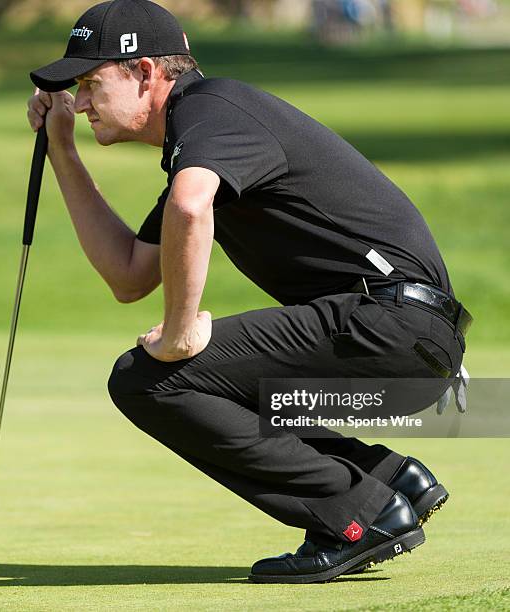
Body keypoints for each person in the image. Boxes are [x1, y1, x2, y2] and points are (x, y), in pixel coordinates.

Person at [27, 0, 472, 583]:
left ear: (143, 72)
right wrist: (62, 147)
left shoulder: (211, 112)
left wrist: (182, 330)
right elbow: (129, 274)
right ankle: (388, 480)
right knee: (198, 377)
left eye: (91, 83)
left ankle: (358, 514)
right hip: (401, 332)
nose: (81, 102)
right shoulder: (211, 142)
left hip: (390, 325)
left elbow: (190, 207)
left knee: (150, 380)